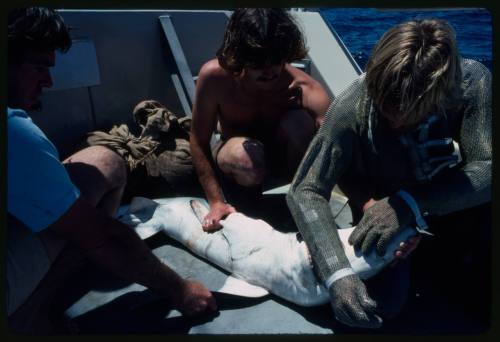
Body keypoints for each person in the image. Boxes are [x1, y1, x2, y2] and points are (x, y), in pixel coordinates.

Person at [7, 7, 216, 333]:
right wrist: (181, 290)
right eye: (38, 67)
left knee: (107, 160)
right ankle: (28, 317)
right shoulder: (14, 134)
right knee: (90, 202)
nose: (47, 81)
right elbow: (102, 236)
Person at [286, 18, 491, 328]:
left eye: (409, 118)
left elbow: (488, 168)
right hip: (380, 214)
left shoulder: (473, 83)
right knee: (383, 306)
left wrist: (410, 204)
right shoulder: (350, 104)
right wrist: (337, 274)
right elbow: (306, 190)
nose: (396, 124)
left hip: (436, 200)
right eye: (386, 112)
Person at [190, 8, 331, 231]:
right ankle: (246, 210)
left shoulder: (307, 90)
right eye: (256, 61)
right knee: (247, 159)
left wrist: (362, 202)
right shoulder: (214, 78)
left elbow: (338, 147)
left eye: (275, 59)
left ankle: (299, 202)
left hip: (284, 166)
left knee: (301, 124)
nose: (268, 70)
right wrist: (215, 201)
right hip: (238, 161)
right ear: (239, 55)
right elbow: (198, 140)